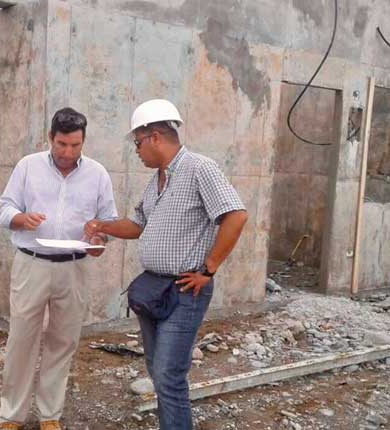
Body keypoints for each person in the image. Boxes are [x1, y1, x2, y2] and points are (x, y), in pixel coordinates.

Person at [84, 99, 248, 430]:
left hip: (185, 289)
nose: (137, 151)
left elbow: (236, 215)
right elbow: (136, 225)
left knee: (168, 373)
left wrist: (208, 269)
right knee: (156, 367)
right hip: (154, 290)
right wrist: (101, 226)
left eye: (137, 143)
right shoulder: (156, 180)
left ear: (155, 137)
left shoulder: (200, 168)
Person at [0, 107, 118, 430]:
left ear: (83, 141)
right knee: (22, 339)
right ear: (50, 137)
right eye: (62, 144)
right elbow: (5, 208)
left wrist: (99, 237)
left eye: (75, 145)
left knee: (63, 341)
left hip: (75, 268)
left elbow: (108, 221)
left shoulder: (98, 174)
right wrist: (22, 219)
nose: (68, 152)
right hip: (31, 263)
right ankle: (11, 415)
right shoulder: (28, 167)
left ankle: (50, 414)